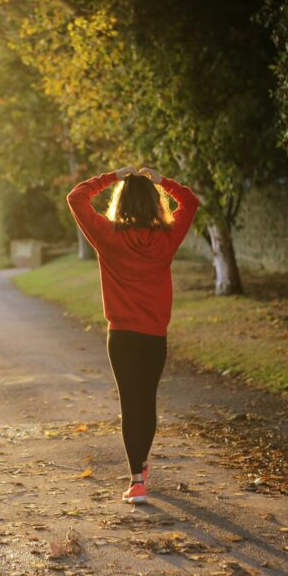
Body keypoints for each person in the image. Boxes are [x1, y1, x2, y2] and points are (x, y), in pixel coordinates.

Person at [66, 165, 200, 504]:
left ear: (121, 203)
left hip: (122, 336)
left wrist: (113, 176)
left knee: (130, 403)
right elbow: (191, 202)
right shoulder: (167, 238)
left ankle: (137, 479)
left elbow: (76, 197)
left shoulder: (107, 236)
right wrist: (162, 181)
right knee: (147, 400)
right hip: (154, 336)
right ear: (155, 203)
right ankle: (140, 467)